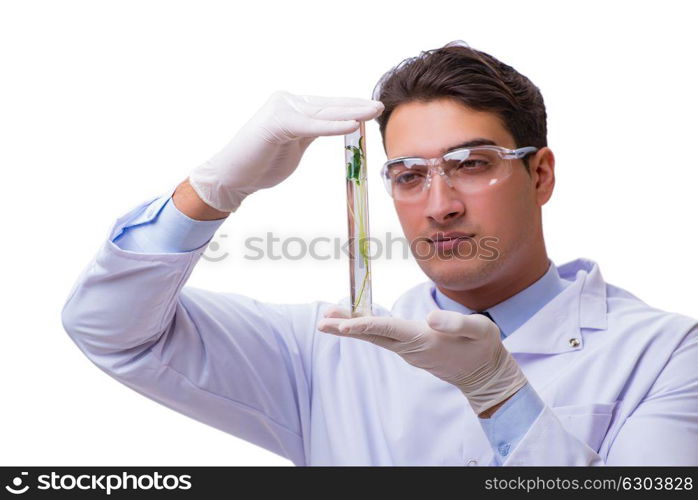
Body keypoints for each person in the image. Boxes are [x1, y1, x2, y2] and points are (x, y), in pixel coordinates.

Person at [61, 40, 698, 466]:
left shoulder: (667, 354)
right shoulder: (324, 354)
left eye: (471, 164)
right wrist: (213, 189)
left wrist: (496, 390)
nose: (441, 204)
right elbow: (113, 332)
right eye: (408, 174)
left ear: (541, 176)